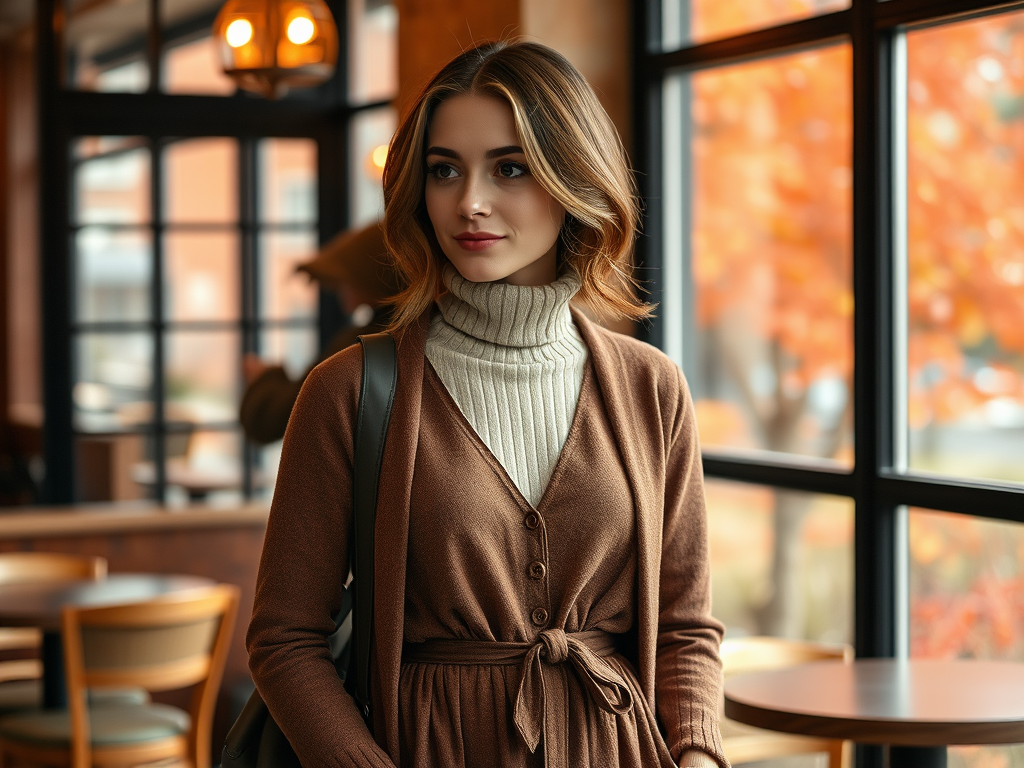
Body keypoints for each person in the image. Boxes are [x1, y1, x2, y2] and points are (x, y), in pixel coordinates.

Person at [247, 40, 727, 768]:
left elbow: (686, 625)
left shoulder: (650, 388)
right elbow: (284, 639)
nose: (469, 201)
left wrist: (696, 754)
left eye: (510, 168)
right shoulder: (346, 391)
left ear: (572, 178)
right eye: (445, 170)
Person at [238, 222, 397, 445]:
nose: (338, 289)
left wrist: (265, 377)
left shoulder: (364, 345)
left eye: (345, 279)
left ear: (370, 276)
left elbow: (272, 418)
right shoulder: (407, 335)